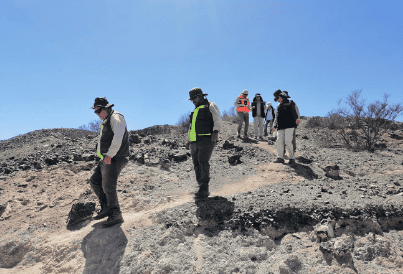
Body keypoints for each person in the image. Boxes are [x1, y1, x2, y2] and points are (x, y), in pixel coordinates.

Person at [89, 97, 130, 228]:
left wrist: (110, 154)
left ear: (106, 108)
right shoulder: (107, 120)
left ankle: (116, 214)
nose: (97, 114)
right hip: (107, 157)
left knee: (108, 186)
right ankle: (106, 207)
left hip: (116, 157)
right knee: (95, 180)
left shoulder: (115, 117)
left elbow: (118, 137)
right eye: (95, 111)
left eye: (98, 110)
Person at [187, 88, 222, 199]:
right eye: (191, 99)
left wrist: (216, 131)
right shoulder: (195, 110)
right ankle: (201, 186)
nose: (193, 101)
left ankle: (204, 188)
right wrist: (189, 140)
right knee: (196, 163)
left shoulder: (210, 105)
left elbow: (217, 119)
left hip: (207, 138)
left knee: (203, 160)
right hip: (194, 140)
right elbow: (191, 127)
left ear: (201, 96)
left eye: (194, 98)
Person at [272, 90, 300, 165]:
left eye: (279, 97)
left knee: (288, 141)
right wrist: (274, 125)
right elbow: (276, 116)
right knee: (279, 141)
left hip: (290, 125)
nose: (278, 99)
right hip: (281, 126)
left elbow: (297, 113)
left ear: (283, 97)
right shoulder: (278, 106)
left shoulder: (292, 103)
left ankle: (292, 158)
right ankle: (280, 157)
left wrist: (297, 122)